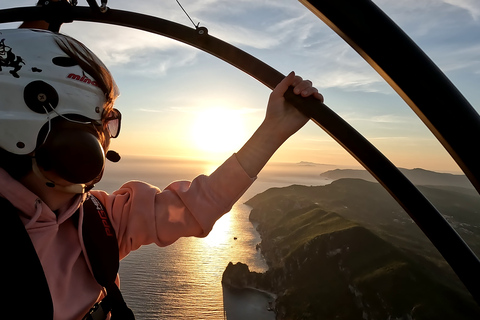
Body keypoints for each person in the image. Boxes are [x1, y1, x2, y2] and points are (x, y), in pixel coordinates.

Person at [0, 20, 323, 320]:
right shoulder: (103, 221)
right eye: (101, 123)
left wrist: (275, 128)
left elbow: (199, 203)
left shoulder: (99, 221)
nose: (106, 138)